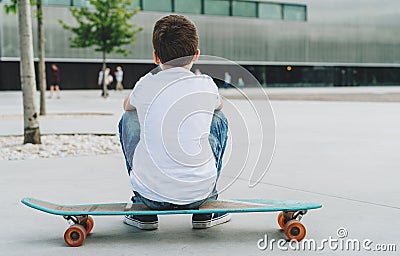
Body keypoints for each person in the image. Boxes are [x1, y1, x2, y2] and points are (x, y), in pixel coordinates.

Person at [118, 15, 230, 230]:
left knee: (129, 118)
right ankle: (209, 205)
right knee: (218, 118)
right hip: (199, 194)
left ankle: (142, 208)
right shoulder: (206, 84)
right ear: (196, 55)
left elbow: (126, 106)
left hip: (152, 197)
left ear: (155, 56)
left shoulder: (145, 83)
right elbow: (220, 106)